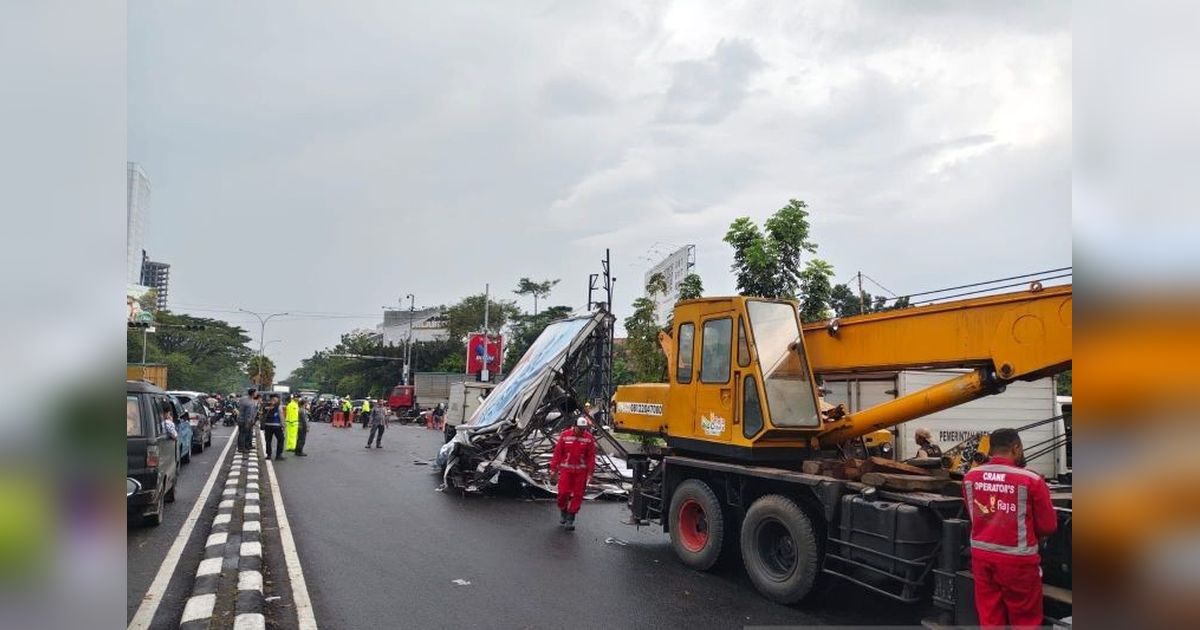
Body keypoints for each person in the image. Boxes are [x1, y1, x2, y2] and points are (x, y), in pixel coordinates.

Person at [963, 428, 1057, 629]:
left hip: (982, 556)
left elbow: (975, 515)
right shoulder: (1031, 480)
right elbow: (1048, 526)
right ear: (1015, 448)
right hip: (1018, 562)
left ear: (991, 449)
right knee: (1025, 620)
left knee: (989, 617)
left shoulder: (971, 477)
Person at [549, 415, 596, 531]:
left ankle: (571, 517)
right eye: (580, 428)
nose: (582, 431)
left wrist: (591, 473)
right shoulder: (565, 436)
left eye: (584, 429)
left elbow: (591, 457)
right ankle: (563, 510)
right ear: (575, 426)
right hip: (566, 471)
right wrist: (553, 469)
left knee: (578, 496)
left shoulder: (589, 438)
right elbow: (558, 453)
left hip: (581, 472)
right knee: (563, 493)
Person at [261, 394, 286, 460]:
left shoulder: (266, 406)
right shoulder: (278, 406)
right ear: (276, 399)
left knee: (268, 441)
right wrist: (283, 425)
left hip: (267, 425)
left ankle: (269, 455)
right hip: (276, 426)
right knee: (281, 440)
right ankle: (278, 455)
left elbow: (262, 415)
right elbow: (281, 417)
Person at [236, 388, 260, 452]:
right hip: (245, 420)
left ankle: (245, 446)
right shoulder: (249, 403)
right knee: (243, 434)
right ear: (253, 393)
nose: (256, 394)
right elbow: (248, 414)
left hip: (240, 419)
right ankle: (242, 448)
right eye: (256, 392)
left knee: (244, 433)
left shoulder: (243, 399)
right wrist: (248, 423)